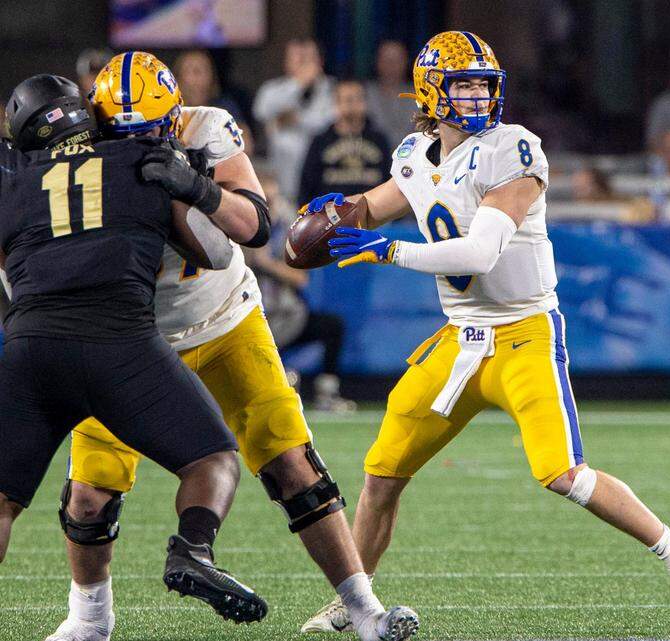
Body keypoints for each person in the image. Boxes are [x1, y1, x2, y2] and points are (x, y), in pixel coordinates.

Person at [297, 31, 670, 635]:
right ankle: (356, 601)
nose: (476, 96)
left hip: (524, 331)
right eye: (463, 84)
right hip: (460, 339)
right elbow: (376, 204)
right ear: (430, 90)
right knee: (382, 473)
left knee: (564, 474)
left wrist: (389, 251)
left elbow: (479, 252)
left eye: (483, 84)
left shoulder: (513, 149)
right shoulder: (415, 154)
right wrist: (338, 211)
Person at [49, 53, 418, 641]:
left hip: (223, 320)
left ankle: (364, 607)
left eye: (151, 128)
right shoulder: (77, 152)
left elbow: (255, 225)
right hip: (126, 335)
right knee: (90, 495)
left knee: (295, 464)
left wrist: (195, 187)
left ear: (174, 115)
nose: (140, 141)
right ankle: (89, 621)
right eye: (125, 132)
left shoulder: (206, 127)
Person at [0, 73, 268, 631]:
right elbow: (219, 251)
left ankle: (91, 617)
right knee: (213, 460)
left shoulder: (14, 181)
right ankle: (191, 549)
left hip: (32, 345)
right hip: (123, 345)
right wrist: (189, 189)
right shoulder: (139, 159)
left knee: (4, 501)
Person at [249, 172, 355, 412]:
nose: (269, 205)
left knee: (332, 326)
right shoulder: (241, 226)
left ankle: (327, 393)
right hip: (250, 315)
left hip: (285, 315)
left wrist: (267, 264)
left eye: (272, 199)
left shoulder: (288, 226)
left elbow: (300, 278)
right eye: (264, 199)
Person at [253, 39, 335, 205]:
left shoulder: (331, 87)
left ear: (320, 62)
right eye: (298, 58)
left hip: (324, 180)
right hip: (284, 182)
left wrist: (296, 119)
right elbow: (261, 112)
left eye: (308, 58)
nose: (303, 64)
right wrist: (298, 85)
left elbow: (329, 122)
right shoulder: (273, 89)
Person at [299, 79, 392, 205]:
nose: (354, 105)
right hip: (330, 218)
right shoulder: (321, 141)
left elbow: (391, 182)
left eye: (358, 99)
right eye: (348, 100)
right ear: (336, 103)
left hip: (375, 217)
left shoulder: (379, 140)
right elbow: (307, 185)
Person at [173, 50, 253, 152]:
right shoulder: (168, 112)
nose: (200, 79)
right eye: (195, 71)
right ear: (177, 78)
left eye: (205, 71)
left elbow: (246, 145)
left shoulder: (224, 108)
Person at [366, 40, 419, 146]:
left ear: (406, 62)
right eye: (386, 60)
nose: (391, 65)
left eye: (396, 60)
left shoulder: (419, 95)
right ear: (377, 61)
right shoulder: (365, 93)